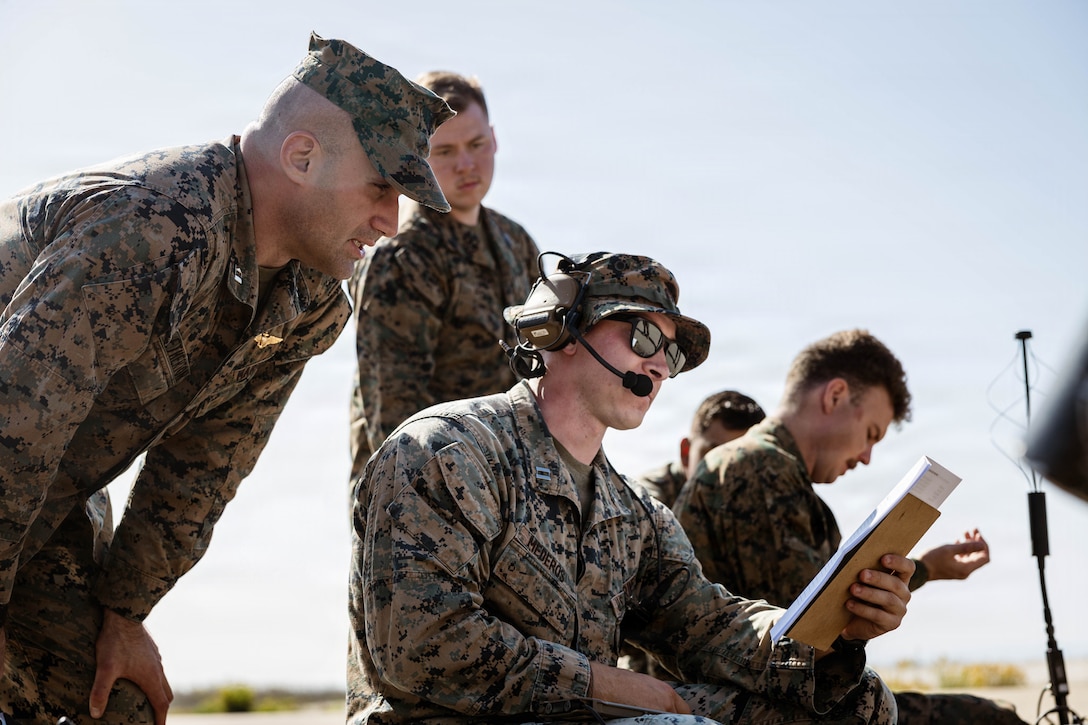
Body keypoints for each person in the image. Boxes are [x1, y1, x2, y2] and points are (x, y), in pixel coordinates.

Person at [0, 33, 454, 725]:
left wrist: (124, 610)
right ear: (302, 157)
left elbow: (204, 467)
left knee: (116, 703)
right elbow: (10, 430)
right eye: (381, 188)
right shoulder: (150, 229)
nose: (391, 223)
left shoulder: (310, 299)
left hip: (40, 512)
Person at [347, 252, 916, 724]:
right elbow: (426, 648)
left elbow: (710, 625)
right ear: (562, 330)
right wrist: (614, 689)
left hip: (583, 716)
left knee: (859, 704)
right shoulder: (448, 450)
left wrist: (830, 633)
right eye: (644, 336)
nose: (661, 366)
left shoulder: (635, 514)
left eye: (671, 353)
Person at [672, 329, 1025, 724]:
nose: (867, 457)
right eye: (871, 434)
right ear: (835, 395)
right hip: (729, 700)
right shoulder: (758, 468)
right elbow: (805, 634)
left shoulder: (778, 477)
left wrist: (924, 569)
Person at [347, 70, 540, 477]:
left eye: (476, 144)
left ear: (494, 138)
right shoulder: (404, 255)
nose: (466, 164)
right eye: (446, 151)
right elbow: (395, 418)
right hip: (423, 496)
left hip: (507, 491)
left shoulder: (516, 242)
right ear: (417, 154)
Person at [635, 389, 766, 505]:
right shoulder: (648, 499)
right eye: (715, 457)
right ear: (686, 452)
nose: (725, 473)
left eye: (741, 459)